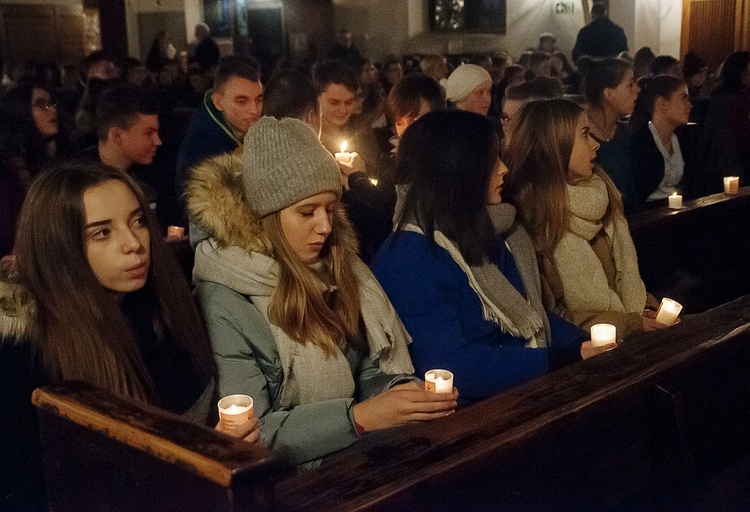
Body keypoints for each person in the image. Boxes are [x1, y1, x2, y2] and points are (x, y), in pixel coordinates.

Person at [188, 116, 456, 465]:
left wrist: (399, 395)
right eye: (307, 212)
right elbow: (251, 432)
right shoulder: (227, 293)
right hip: (286, 474)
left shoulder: (337, 267)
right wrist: (359, 418)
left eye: (330, 209)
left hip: (347, 451)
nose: (325, 226)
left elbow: (365, 368)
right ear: (268, 215)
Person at [0, 162, 257, 512]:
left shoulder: (156, 308)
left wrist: (214, 448)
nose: (134, 244)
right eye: (102, 233)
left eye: (137, 221)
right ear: (57, 247)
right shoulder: (24, 353)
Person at [371, 110, 593, 405]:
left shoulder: (494, 230)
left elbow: (530, 313)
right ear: (459, 169)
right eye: (491, 161)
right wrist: (556, 359)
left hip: (525, 388)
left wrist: (580, 343)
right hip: (474, 413)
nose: (503, 169)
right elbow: (451, 364)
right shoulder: (410, 257)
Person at [504, 98, 663, 339]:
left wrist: (648, 309)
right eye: (585, 135)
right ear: (554, 145)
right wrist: (629, 324)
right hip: (590, 351)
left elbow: (625, 281)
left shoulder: (600, 198)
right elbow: (551, 316)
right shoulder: (531, 220)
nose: (596, 144)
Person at [175, 56, 262, 206]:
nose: (254, 110)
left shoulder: (249, 128)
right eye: (242, 101)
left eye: (259, 100)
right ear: (218, 102)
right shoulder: (203, 151)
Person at [0, 82, 74, 256]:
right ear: (20, 112)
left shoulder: (54, 155)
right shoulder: (7, 167)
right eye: (42, 105)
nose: (52, 109)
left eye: (52, 103)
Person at [580, 57, 642, 213]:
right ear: (609, 93)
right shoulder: (580, 135)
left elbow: (630, 191)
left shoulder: (624, 134)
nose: (637, 89)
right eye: (630, 85)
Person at [630, 75, 692, 206]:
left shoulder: (685, 139)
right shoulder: (642, 143)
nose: (689, 105)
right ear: (662, 103)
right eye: (683, 98)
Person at [697, 51, 750, 194]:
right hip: (730, 162)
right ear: (740, 71)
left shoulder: (739, 96)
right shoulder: (728, 98)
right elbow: (738, 136)